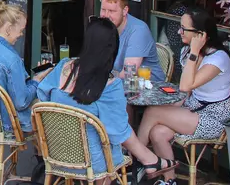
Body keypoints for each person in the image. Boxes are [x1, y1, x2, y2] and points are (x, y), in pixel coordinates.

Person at [38, 17, 178, 181]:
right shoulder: (110, 86)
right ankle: (149, 160)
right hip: (92, 163)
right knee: (113, 134)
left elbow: (42, 95)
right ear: (112, 49)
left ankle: (149, 160)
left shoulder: (63, 67)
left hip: (55, 154)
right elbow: (118, 132)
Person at [137, 9, 230, 185]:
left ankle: (136, 161)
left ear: (200, 35)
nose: (179, 32)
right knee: (157, 132)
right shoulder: (187, 52)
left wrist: (194, 52)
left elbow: (185, 85)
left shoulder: (218, 58)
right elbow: (187, 93)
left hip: (214, 118)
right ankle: (169, 180)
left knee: (152, 111)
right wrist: (173, 109)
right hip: (194, 107)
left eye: (183, 29)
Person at [0, 0, 51, 133]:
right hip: (8, 122)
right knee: (47, 103)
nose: (21, 35)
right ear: (8, 29)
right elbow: (21, 102)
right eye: (21, 30)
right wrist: (37, 80)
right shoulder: (12, 60)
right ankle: (44, 152)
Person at [100, 0, 165, 82]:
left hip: (148, 88)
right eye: (103, 10)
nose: (106, 15)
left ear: (125, 11)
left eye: (111, 11)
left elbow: (129, 72)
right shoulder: (105, 27)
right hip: (119, 84)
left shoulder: (138, 30)